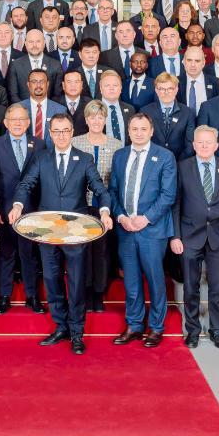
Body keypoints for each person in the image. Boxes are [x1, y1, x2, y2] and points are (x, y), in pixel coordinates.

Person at [10, 114, 114, 355]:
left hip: (76, 232)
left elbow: (100, 188)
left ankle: (77, 332)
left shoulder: (84, 159)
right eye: (56, 131)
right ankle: (61, 327)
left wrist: (105, 212)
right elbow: (26, 185)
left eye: (65, 130)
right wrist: (17, 205)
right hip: (47, 231)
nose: (61, 135)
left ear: (71, 131)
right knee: (51, 279)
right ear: (50, 132)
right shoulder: (41, 157)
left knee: (76, 282)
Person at [172, 126, 219, 349]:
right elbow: (175, 206)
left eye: (208, 142)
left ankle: (216, 330)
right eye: (200, 142)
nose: (204, 146)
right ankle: (192, 330)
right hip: (189, 237)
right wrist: (175, 236)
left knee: (218, 287)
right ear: (194, 145)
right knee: (191, 287)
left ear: (216, 145)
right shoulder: (182, 168)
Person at [108, 114, 177, 348]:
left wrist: (145, 219)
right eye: (134, 129)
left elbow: (168, 195)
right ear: (129, 131)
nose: (138, 133)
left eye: (143, 128)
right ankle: (135, 325)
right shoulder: (120, 156)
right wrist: (120, 217)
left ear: (151, 131)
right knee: (132, 282)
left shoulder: (165, 157)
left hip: (152, 230)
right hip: (126, 229)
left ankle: (156, 327)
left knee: (156, 280)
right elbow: (113, 191)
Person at [0, 104, 47, 314]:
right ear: (6, 123)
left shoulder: (39, 145)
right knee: (6, 254)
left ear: (29, 122)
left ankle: (32, 296)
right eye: (14, 120)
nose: (18, 123)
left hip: (32, 210)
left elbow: (42, 181)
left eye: (22, 119)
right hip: (4, 210)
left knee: (29, 255)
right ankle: (4, 296)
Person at [71, 100, 123, 313]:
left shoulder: (116, 144)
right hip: (80, 204)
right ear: (86, 119)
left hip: (104, 205)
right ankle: (83, 291)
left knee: (101, 252)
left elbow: (117, 179)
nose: (96, 121)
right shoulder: (75, 142)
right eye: (92, 117)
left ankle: (98, 294)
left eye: (100, 117)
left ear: (105, 119)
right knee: (82, 251)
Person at [141, 71, 194, 160]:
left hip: (179, 161)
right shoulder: (145, 111)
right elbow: (142, 139)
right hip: (151, 161)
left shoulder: (187, 112)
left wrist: (179, 162)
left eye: (170, 88)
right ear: (156, 90)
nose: (166, 92)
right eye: (161, 89)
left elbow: (190, 144)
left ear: (176, 89)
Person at [7, 29, 63, 102]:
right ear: (25, 44)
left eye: (38, 41)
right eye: (31, 42)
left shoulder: (56, 65)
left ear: (44, 43)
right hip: (23, 111)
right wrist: (23, 110)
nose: (34, 45)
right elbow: (13, 94)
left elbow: (57, 95)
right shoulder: (15, 65)